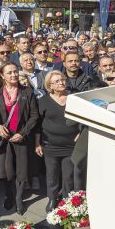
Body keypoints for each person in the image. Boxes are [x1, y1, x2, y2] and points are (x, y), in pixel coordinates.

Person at [0, 63, 39, 215]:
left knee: (21, 169)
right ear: (2, 75)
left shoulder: (27, 91)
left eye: (15, 72)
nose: (13, 75)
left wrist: (23, 133)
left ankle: (19, 198)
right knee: (6, 170)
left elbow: (34, 116)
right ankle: (9, 195)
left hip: (20, 137)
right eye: (9, 72)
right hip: (3, 138)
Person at [36, 70, 81, 213]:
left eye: (62, 79)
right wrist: (37, 143)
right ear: (50, 85)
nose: (61, 82)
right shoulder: (43, 101)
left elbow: (82, 118)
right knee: (52, 175)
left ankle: (68, 200)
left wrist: (81, 132)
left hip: (70, 145)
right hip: (50, 146)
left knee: (68, 176)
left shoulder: (74, 98)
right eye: (57, 81)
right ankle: (52, 198)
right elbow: (38, 123)